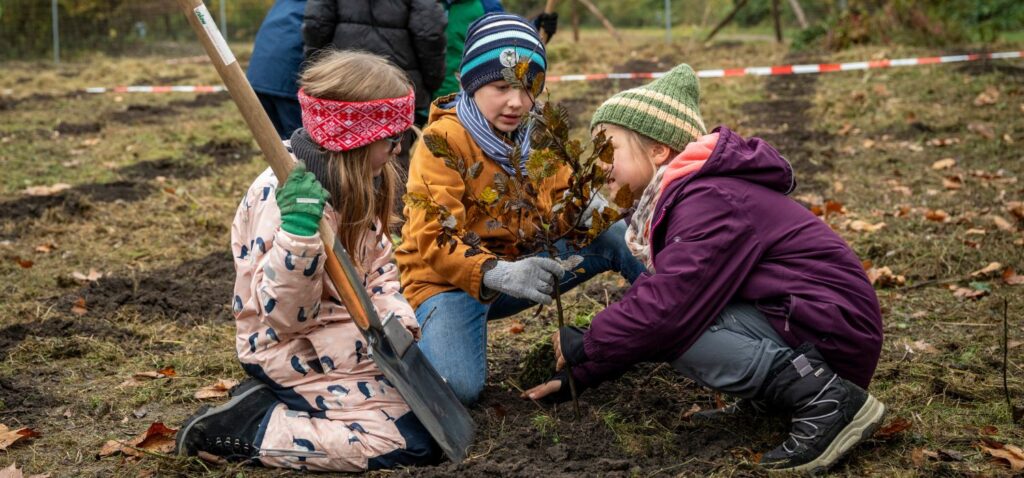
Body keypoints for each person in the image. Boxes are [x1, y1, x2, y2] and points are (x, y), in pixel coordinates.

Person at [524, 64, 887, 473]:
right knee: (676, 317)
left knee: (680, 329)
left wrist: (590, 341)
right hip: (807, 322)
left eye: (610, 149)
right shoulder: (687, 196)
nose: (600, 164)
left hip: (835, 332)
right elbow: (669, 300)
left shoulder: (707, 199)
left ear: (659, 151)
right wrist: (584, 372)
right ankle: (775, 397)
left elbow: (669, 309)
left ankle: (825, 399)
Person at [175, 51, 441, 472]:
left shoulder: (362, 180)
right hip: (288, 347)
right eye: (391, 140)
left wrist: (396, 323)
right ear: (356, 140)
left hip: (347, 335)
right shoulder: (283, 200)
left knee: (434, 417)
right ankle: (254, 427)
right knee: (407, 444)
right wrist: (299, 238)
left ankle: (283, 408)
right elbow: (285, 320)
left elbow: (380, 270)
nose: (397, 150)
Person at [397, 13, 645, 406]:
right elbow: (433, 238)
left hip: (524, 266)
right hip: (448, 283)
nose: (516, 102)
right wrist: (496, 272)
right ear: (471, 83)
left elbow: (559, 206)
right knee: (457, 388)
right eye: (501, 87)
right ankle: (410, 330)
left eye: (529, 88)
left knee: (614, 236)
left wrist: (585, 206)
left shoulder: (536, 134)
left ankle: (674, 318)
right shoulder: (441, 143)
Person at [302, 0, 447, 128]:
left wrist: (321, 73)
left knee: (338, 146)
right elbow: (429, 32)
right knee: (393, 148)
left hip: (344, 81)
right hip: (396, 87)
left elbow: (317, 25)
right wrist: (431, 81)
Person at [432, 0, 559, 100]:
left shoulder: (485, 4)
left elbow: (506, 40)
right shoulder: (423, 5)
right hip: (425, 99)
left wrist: (536, 30)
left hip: (467, 94)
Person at [247, 0, 306, 139]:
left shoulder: (283, 4)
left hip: (258, 77)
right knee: (300, 143)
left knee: (277, 142)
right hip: (287, 80)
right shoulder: (317, 5)